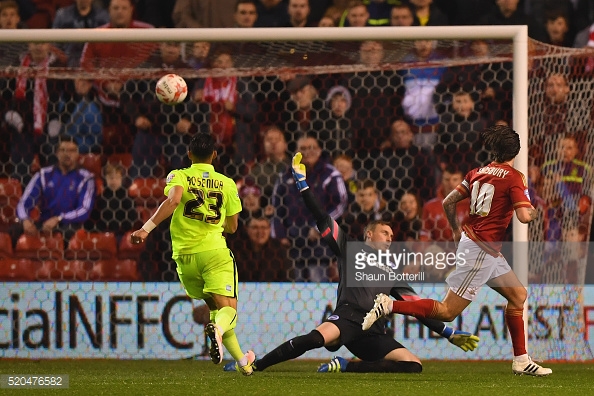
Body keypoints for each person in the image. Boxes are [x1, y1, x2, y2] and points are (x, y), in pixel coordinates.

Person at [224, 152, 479, 374]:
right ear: (369, 235)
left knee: (413, 365)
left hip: (375, 332)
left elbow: (416, 308)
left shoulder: (392, 270)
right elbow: (322, 217)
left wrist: (450, 334)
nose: (390, 238)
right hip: (347, 319)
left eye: (392, 235)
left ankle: (347, 365)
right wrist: (302, 184)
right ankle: (256, 364)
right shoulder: (350, 249)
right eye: (385, 233)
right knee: (313, 339)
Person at [362, 125, 553, 377]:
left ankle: (521, 360)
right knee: (447, 312)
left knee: (518, 296)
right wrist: (533, 208)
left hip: (481, 247)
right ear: (516, 151)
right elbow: (524, 216)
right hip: (480, 251)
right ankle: (389, 306)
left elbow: (447, 201)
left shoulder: (476, 173)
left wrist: (455, 230)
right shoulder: (515, 177)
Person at [129, 133, 255, 375]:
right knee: (229, 311)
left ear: (189, 154)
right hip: (214, 253)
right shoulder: (227, 183)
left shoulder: (179, 175)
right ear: (215, 155)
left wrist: (145, 230)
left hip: (184, 258)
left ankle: (243, 363)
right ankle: (216, 332)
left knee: (218, 310)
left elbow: (173, 200)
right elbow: (232, 227)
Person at [12, 136, 95, 246]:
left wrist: (59, 218)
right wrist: (25, 220)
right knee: (13, 231)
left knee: (66, 234)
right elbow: (24, 202)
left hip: (70, 224)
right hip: (44, 222)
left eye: (72, 150)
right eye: (63, 150)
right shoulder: (43, 174)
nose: (67, 154)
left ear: (77, 154)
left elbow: (85, 209)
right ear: (56, 153)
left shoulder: (86, 178)